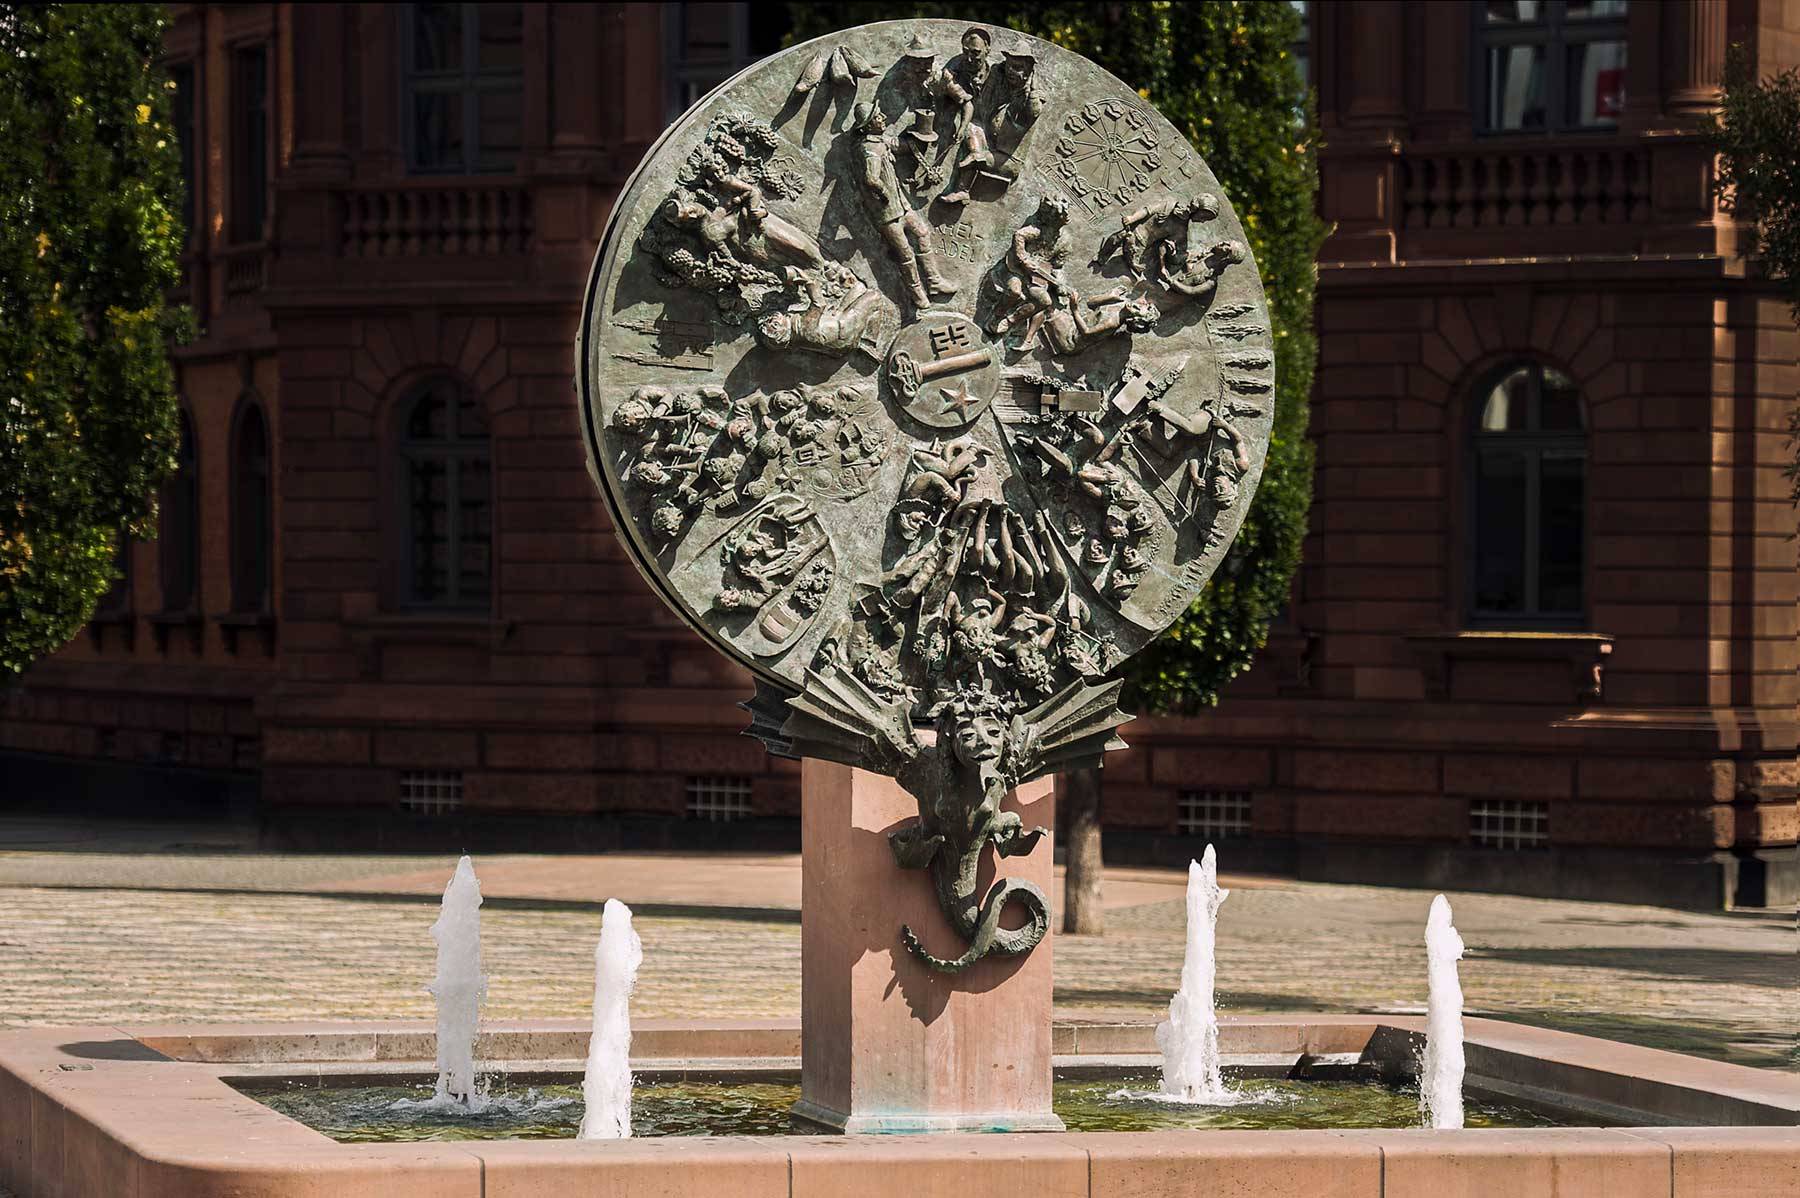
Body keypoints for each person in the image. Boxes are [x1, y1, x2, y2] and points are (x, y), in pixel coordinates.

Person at [853, 104, 958, 310]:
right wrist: (883, 193)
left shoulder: (879, 141)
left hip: (902, 206)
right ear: (868, 126)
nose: (883, 117)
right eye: (878, 116)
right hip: (887, 214)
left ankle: (934, 282)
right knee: (906, 255)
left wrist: (920, 131)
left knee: (922, 233)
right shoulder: (869, 149)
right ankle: (918, 295)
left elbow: (900, 145)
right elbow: (871, 179)